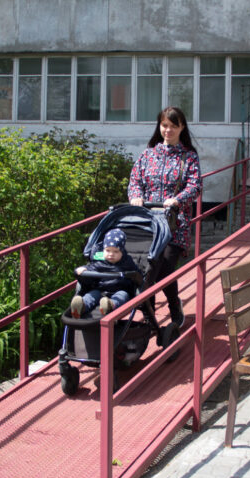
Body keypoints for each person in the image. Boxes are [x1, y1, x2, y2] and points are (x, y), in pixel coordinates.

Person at [128, 106, 202, 327]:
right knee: (147, 268)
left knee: (165, 268)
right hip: (149, 223)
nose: (168, 130)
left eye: (173, 126)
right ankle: (149, 314)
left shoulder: (188, 157)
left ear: (182, 127)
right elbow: (135, 181)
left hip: (174, 224)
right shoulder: (148, 155)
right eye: (164, 125)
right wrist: (136, 196)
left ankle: (173, 305)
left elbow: (195, 185)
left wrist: (177, 199)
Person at [70, 228, 141, 318]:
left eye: (116, 251)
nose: (111, 254)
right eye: (108, 250)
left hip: (119, 289)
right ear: (103, 250)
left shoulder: (127, 262)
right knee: (91, 295)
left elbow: (137, 274)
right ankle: (81, 306)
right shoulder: (99, 262)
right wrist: (84, 269)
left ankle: (110, 306)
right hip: (100, 290)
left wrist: (137, 277)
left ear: (122, 251)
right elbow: (91, 268)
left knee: (122, 296)